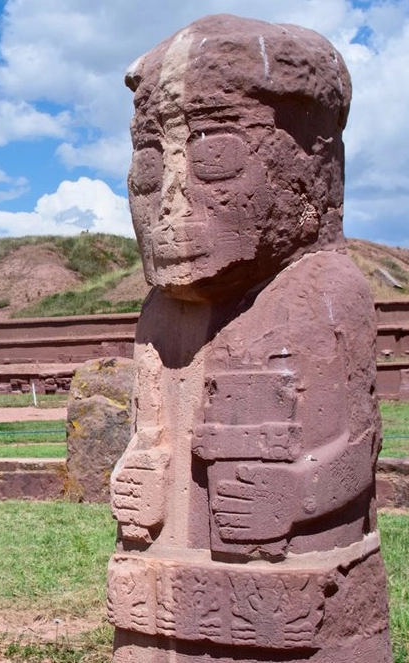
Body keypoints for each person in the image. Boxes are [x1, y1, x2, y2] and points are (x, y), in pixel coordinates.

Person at [107, 15, 391, 662]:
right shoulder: (159, 315)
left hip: (291, 605)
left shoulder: (325, 295)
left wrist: (296, 493)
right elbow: (149, 438)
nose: (171, 201)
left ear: (308, 166)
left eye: (213, 156)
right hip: (159, 602)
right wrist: (138, 470)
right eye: (150, 164)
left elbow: (359, 447)